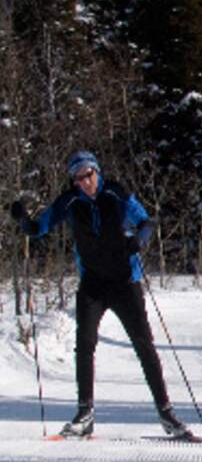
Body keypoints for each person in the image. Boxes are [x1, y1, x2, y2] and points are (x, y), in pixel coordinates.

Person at [9, 150, 189, 438]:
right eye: (77, 178)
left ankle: (167, 414)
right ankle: (84, 415)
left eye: (87, 175)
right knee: (85, 345)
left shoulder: (116, 193)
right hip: (93, 284)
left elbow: (147, 223)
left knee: (144, 345)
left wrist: (138, 242)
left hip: (125, 282)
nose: (83, 182)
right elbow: (37, 229)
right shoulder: (69, 201)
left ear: (96, 171)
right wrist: (21, 218)